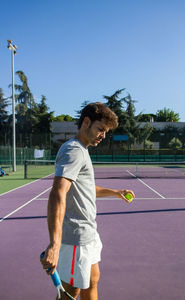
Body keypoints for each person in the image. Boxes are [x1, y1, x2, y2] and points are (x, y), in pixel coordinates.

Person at [40, 102, 135, 300]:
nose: (103, 135)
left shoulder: (82, 150)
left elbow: (84, 189)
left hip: (89, 234)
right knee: (71, 293)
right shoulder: (73, 150)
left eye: (106, 131)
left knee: (93, 280)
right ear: (86, 122)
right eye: (100, 129)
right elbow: (58, 193)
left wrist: (114, 192)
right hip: (76, 238)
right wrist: (54, 245)